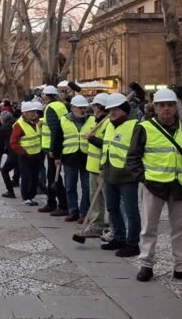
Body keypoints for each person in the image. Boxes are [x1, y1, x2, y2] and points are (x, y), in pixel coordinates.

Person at [128, 89, 182, 285]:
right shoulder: (144, 128)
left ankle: (181, 267)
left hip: (180, 185)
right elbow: (133, 157)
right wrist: (143, 178)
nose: (166, 109)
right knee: (149, 228)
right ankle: (146, 264)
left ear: (176, 107)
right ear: (155, 108)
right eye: (162, 105)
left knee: (181, 229)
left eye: (170, 105)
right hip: (154, 184)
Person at [87, 92, 140, 257]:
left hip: (126, 175)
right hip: (109, 173)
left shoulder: (135, 126)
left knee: (131, 211)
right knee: (112, 208)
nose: (112, 112)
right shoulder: (109, 124)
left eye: (116, 109)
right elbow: (107, 146)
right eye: (110, 109)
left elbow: (138, 151)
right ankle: (118, 237)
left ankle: (132, 243)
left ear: (124, 109)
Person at [53, 95, 95, 223]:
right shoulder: (63, 120)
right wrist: (56, 156)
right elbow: (57, 139)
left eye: (84, 107)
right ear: (72, 108)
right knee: (70, 186)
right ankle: (73, 211)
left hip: (87, 157)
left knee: (87, 187)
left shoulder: (93, 120)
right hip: (69, 157)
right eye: (79, 107)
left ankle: (84, 212)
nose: (82, 110)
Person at [78, 93, 109, 239]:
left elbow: (107, 145)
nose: (93, 109)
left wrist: (92, 139)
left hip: (103, 168)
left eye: (95, 106)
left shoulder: (108, 123)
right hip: (92, 166)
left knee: (108, 200)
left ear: (100, 107)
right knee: (95, 200)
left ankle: (111, 226)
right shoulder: (97, 121)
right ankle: (97, 225)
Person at [39, 85, 69, 217]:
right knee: (53, 176)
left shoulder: (50, 108)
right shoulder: (61, 106)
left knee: (53, 177)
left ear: (46, 96)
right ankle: (54, 203)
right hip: (60, 145)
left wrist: (53, 149)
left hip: (52, 147)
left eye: (43, 96)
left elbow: (54, 129)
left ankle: (59, 204)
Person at [10, 101, 43, 206]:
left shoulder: (37, 122)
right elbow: (13, 142)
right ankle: (26, 198)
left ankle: (31, 196)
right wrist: (23, 152)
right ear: (24, 113)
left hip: (37, 154)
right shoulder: (19, 125)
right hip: (25, 156)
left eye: (35, 111)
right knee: (26, 177)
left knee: (34, 177)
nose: (35, 113)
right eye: (32, 112)